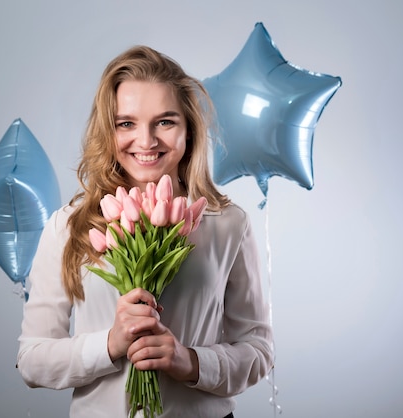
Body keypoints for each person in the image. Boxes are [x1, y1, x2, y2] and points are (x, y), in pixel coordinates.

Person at [17, 45, 273, 418]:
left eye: (165, 122)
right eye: (127, 123)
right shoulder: (69, 226)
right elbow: (32, 359)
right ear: (109, 130)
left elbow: (258, 349)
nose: (147, 140)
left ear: (188, 132)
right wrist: (110, 344)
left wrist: (190, 362)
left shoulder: (228, 223)